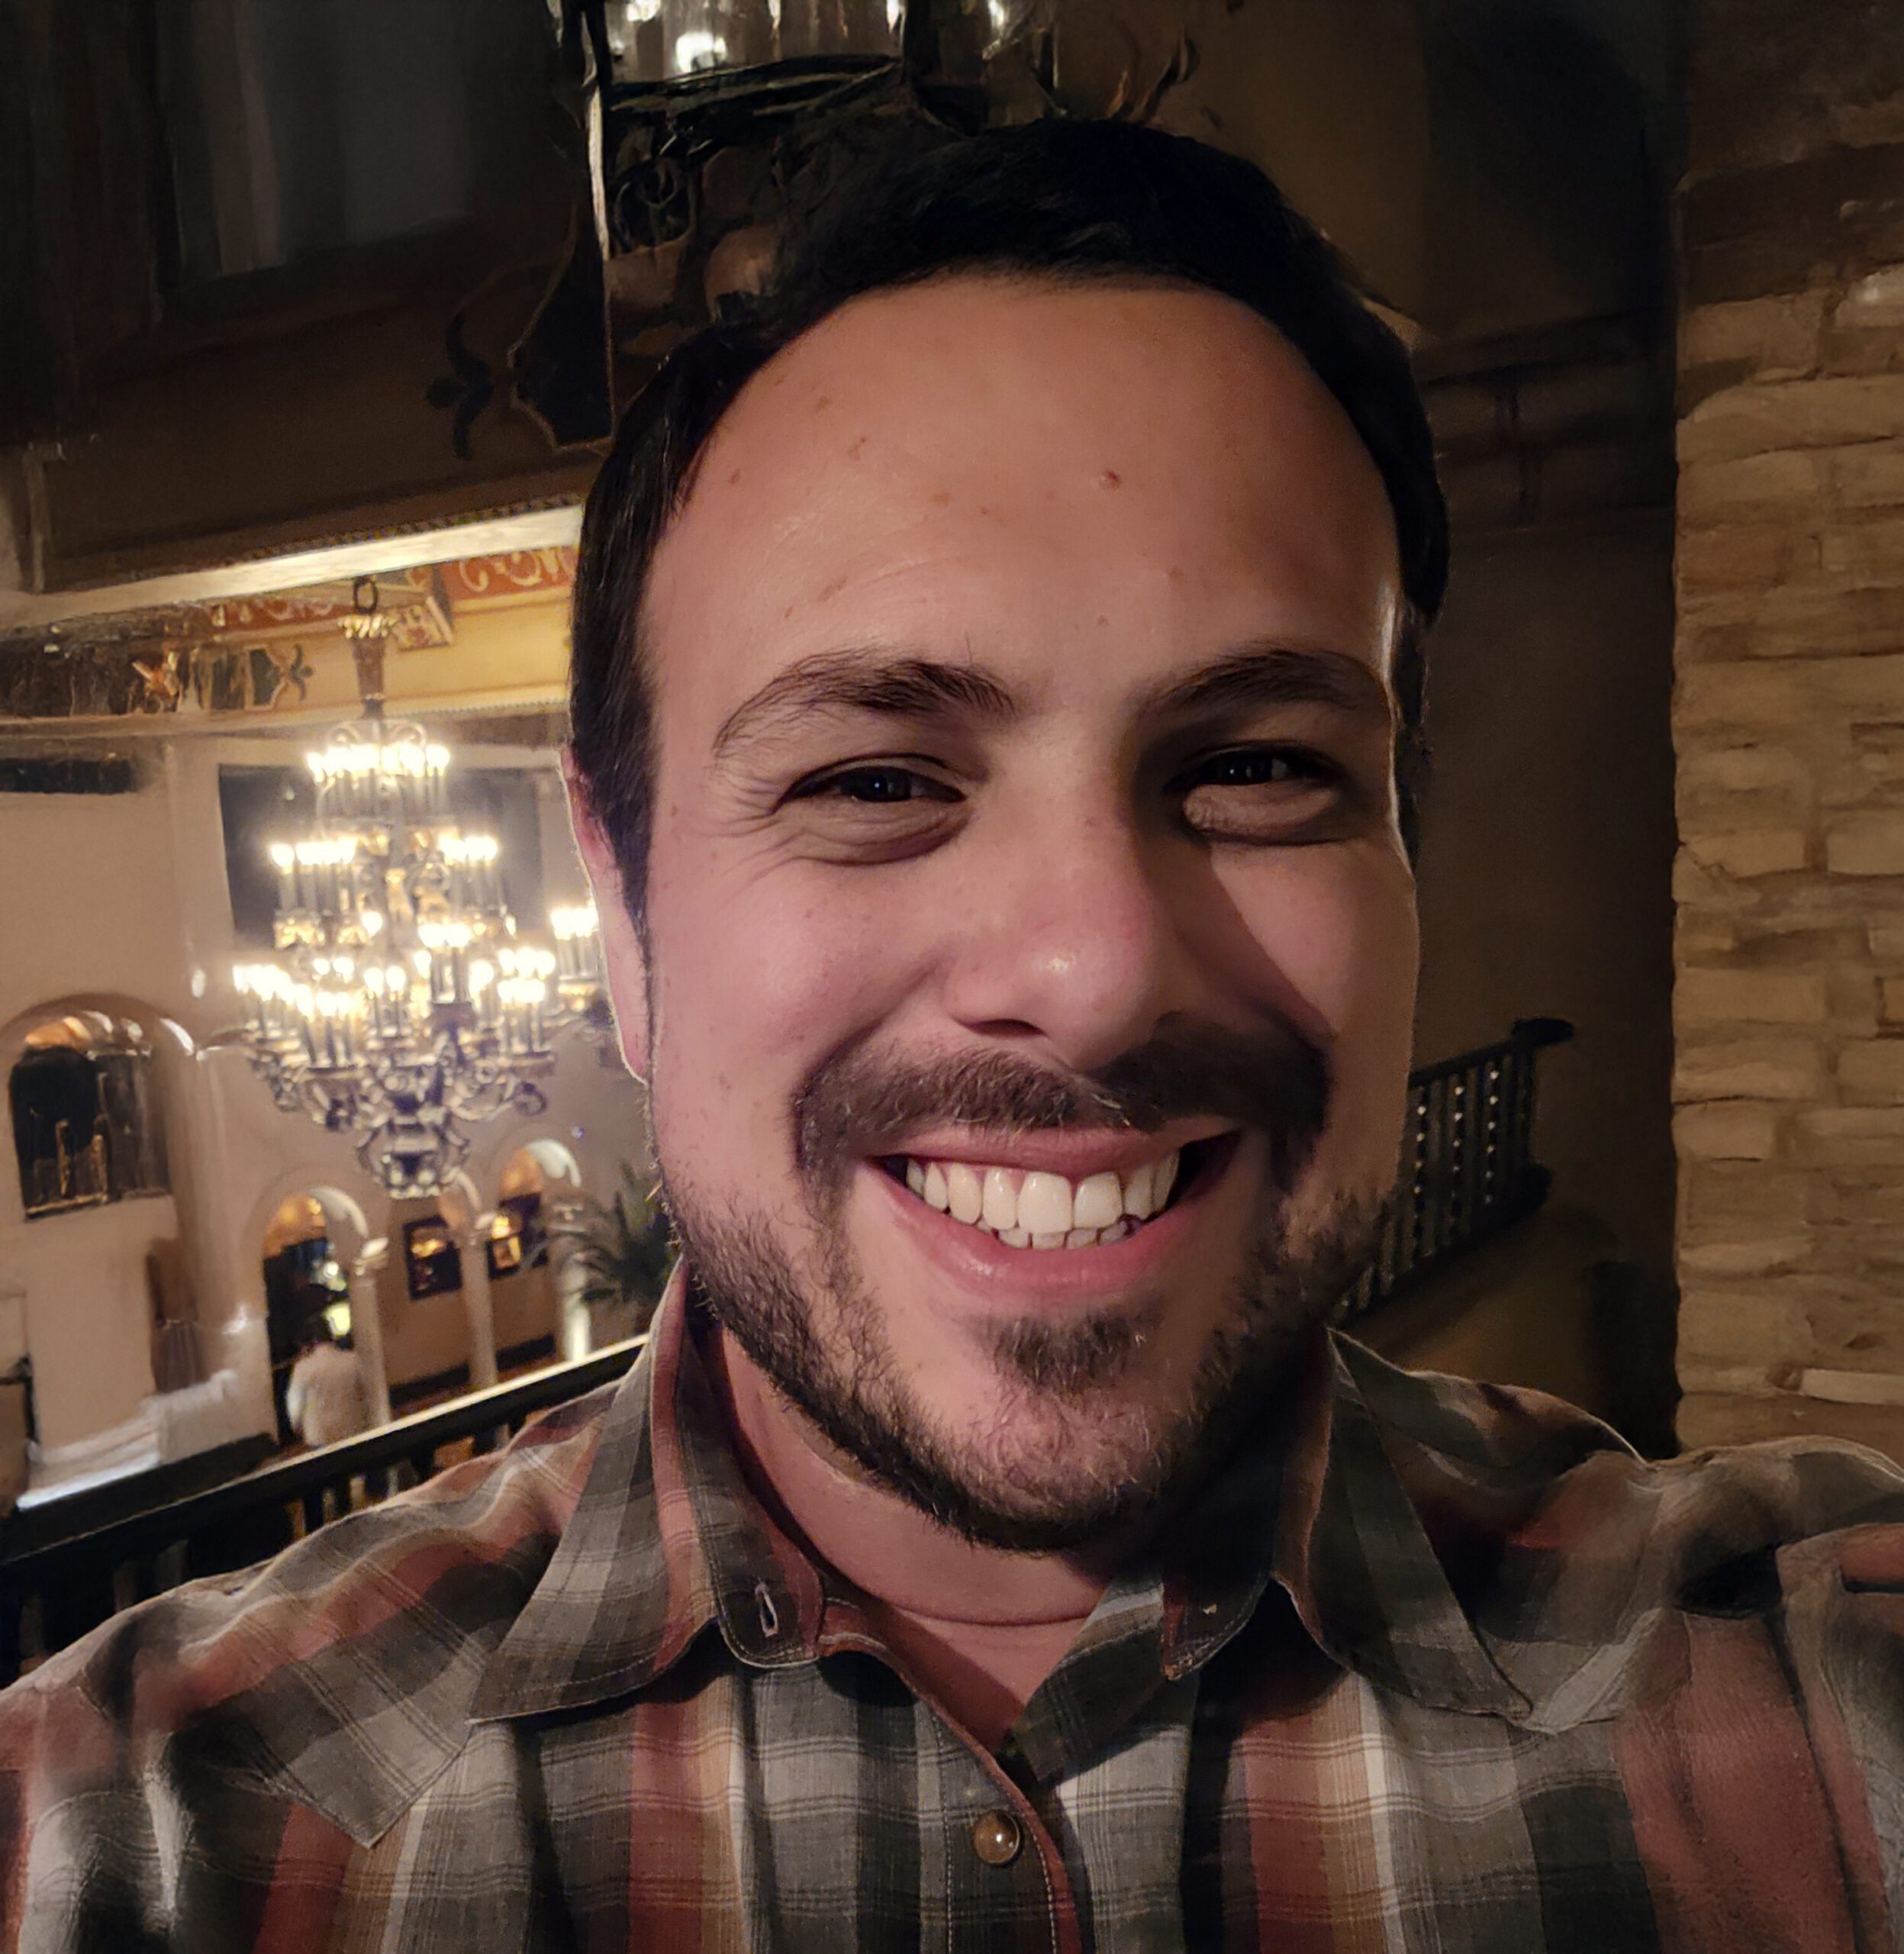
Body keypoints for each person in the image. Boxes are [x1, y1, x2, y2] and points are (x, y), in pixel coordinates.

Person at [5, 117, 1904, 1952]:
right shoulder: (127, 1835)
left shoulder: (1819, 1697)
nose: (1093, 970)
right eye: (874, 778)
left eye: (1256, 764)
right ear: (622, 908)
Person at [283, 1323, 369, 1451]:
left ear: (310, 1343)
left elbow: (295, 1404)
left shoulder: (303, 1368)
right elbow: (365, 1393)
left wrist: (296, 1425)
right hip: (352, 1428)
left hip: (319, 1435)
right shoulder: (352, 1359)